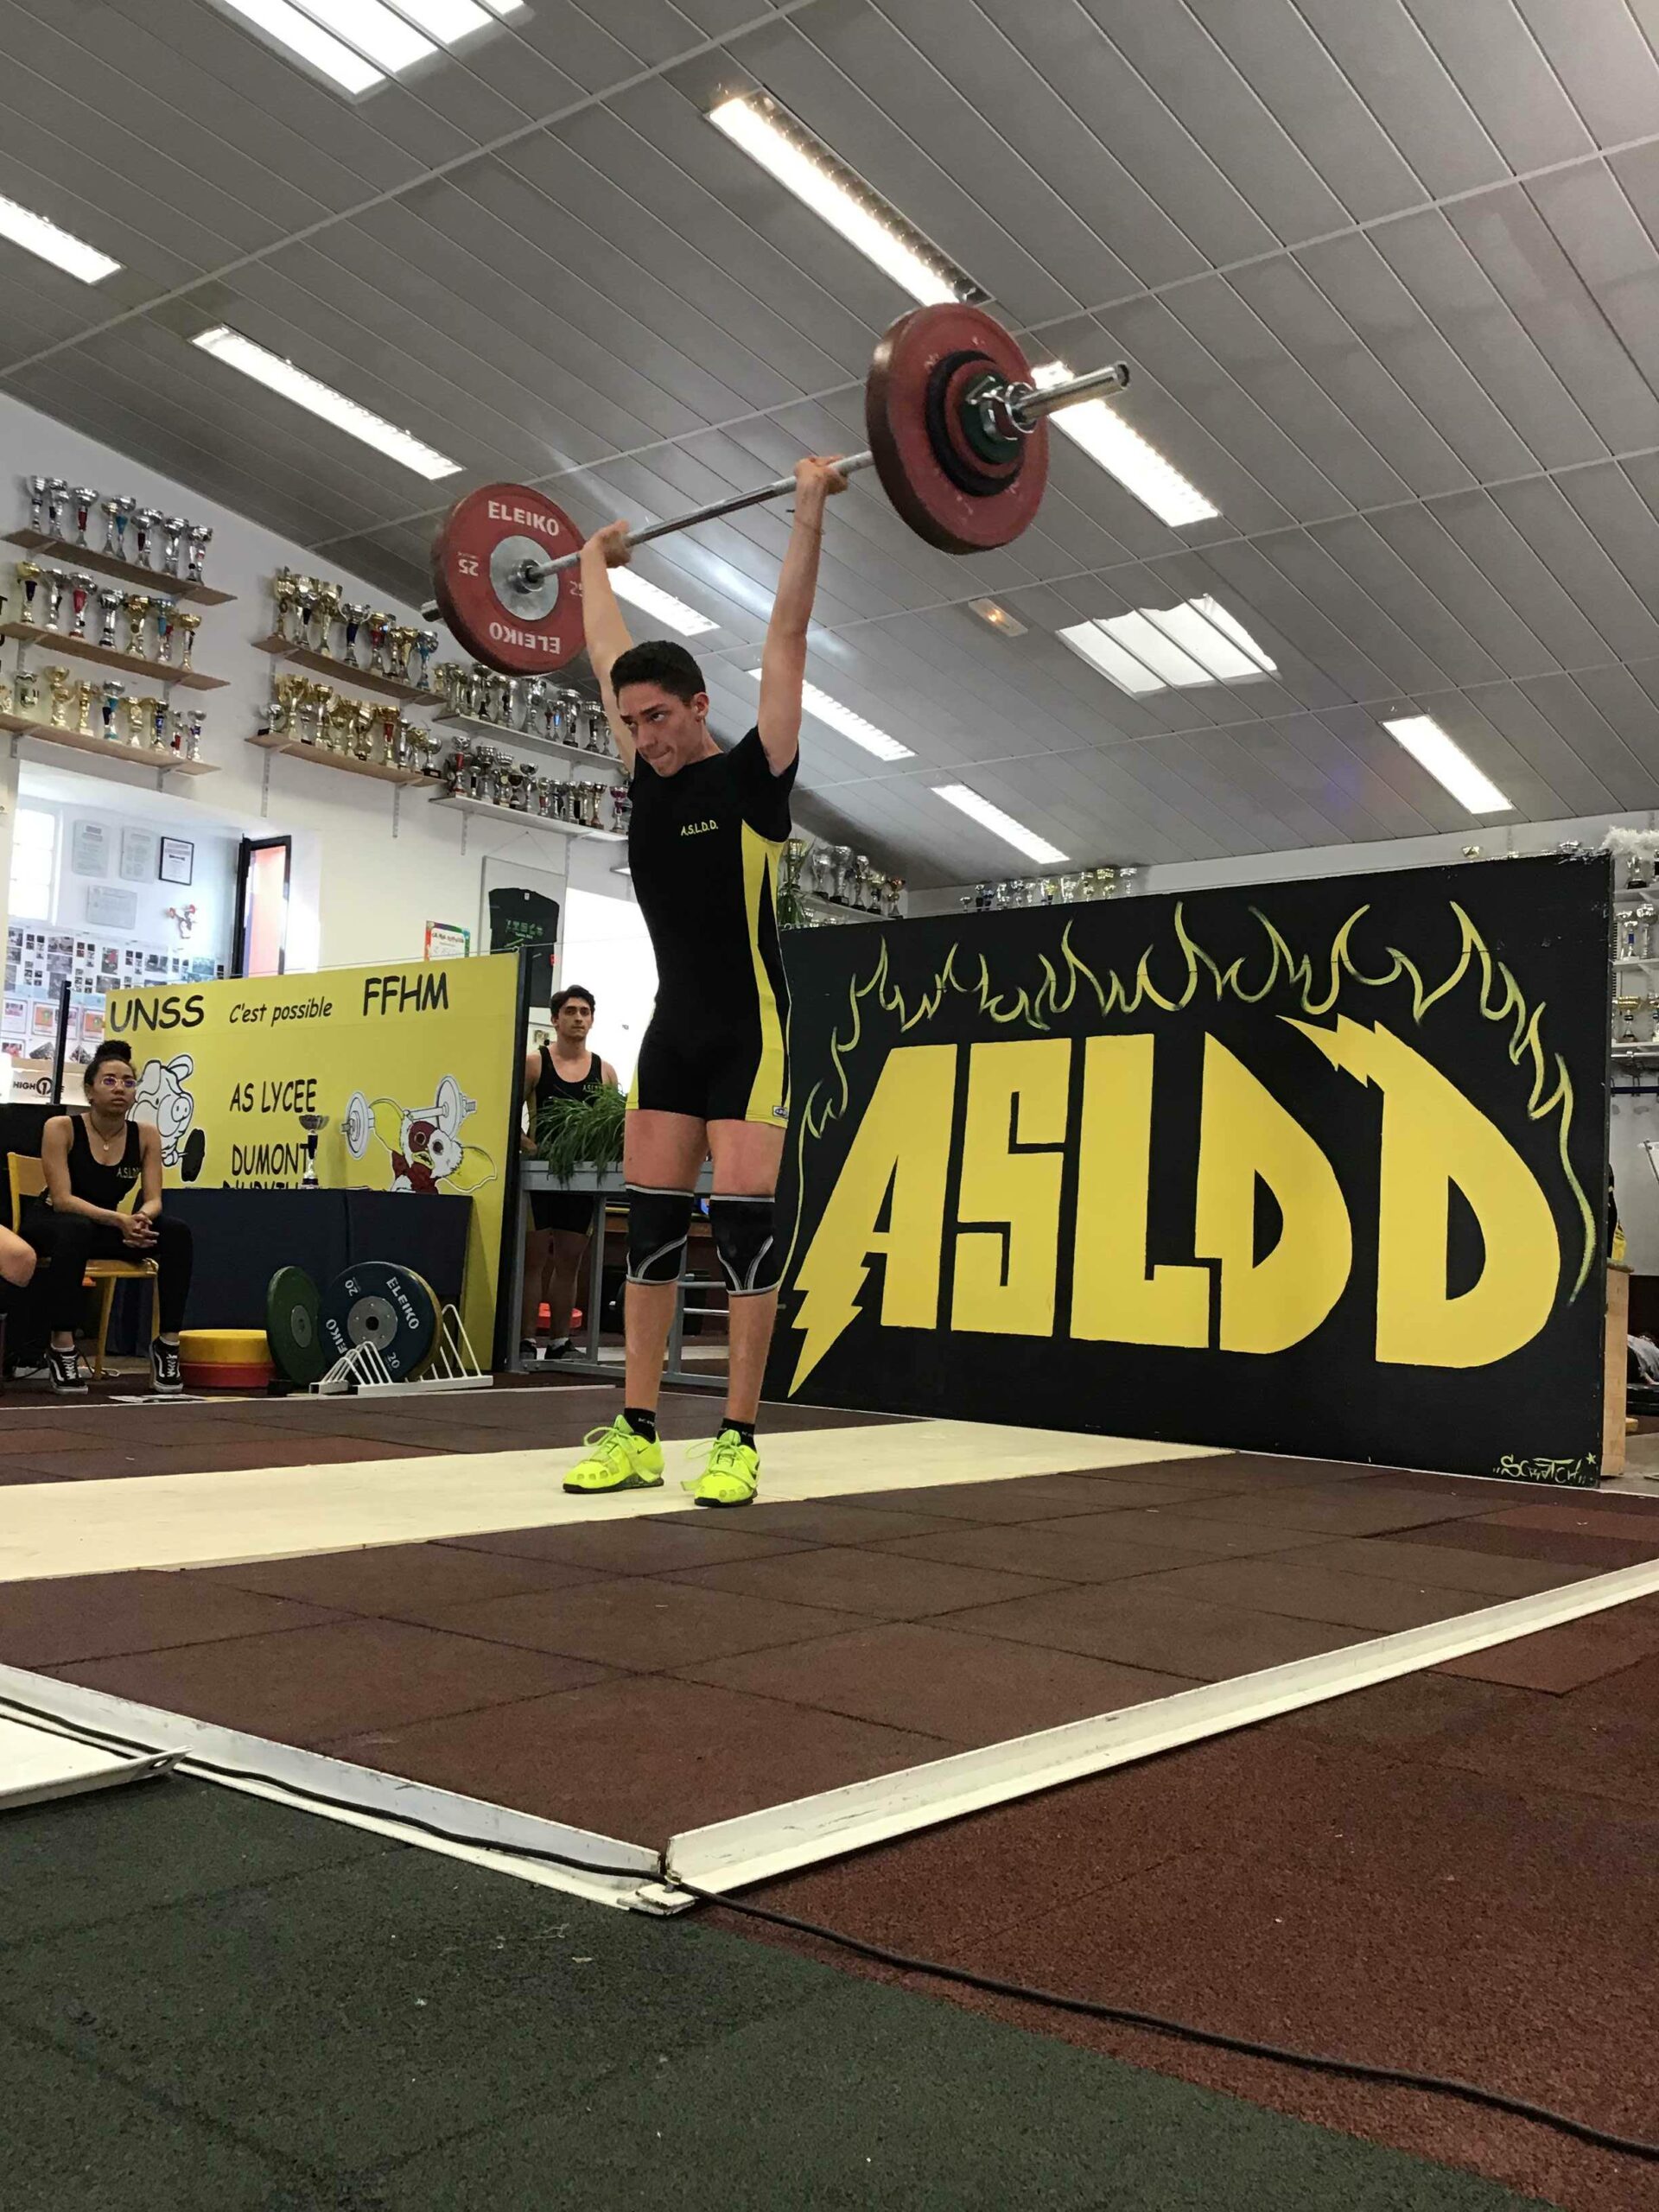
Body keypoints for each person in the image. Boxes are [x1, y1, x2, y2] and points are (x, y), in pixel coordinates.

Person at [561, 454, 845, 1508]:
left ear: (698, 706)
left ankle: (737, 1439)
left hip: (751, 1033)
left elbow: (786, 641)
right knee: (650, 1231)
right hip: (673, 1031)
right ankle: (637, 1430)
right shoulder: (645, 778)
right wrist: (592, 562)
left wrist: (807, 512)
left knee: (742, 1237)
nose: (644, 737)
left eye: (659, 719)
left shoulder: (753, 778)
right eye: (631, 722)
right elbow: (605, 650)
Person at [22, 1038, 194, 1395]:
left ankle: (168, 1344)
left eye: (128, 1082)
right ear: (89, 1091)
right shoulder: (61, 1127)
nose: (120, 1088)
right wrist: (120, 1221)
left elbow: (154, 1199)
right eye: (110, 1081)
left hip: (106, 1226)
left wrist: (139, 1220)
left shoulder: (146, 1134)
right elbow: (63, 1199)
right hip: (54, 1222)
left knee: (176, 1233)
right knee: (76, 1230)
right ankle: (62, 1345)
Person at [521, 984, 618, 1363]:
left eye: (584, 1012)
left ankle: (560, 1342)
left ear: (592, 1020)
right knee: (532, 1262)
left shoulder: (604, 1071)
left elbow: (611, 1127)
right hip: (539, 1179)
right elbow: (508, 1117)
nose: (578, 1018)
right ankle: (525, 1340)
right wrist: (534, 1150)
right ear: (555, 1020)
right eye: (570, 1011)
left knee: (569, 1263)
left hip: (582, 1181)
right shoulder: (535, 1064)